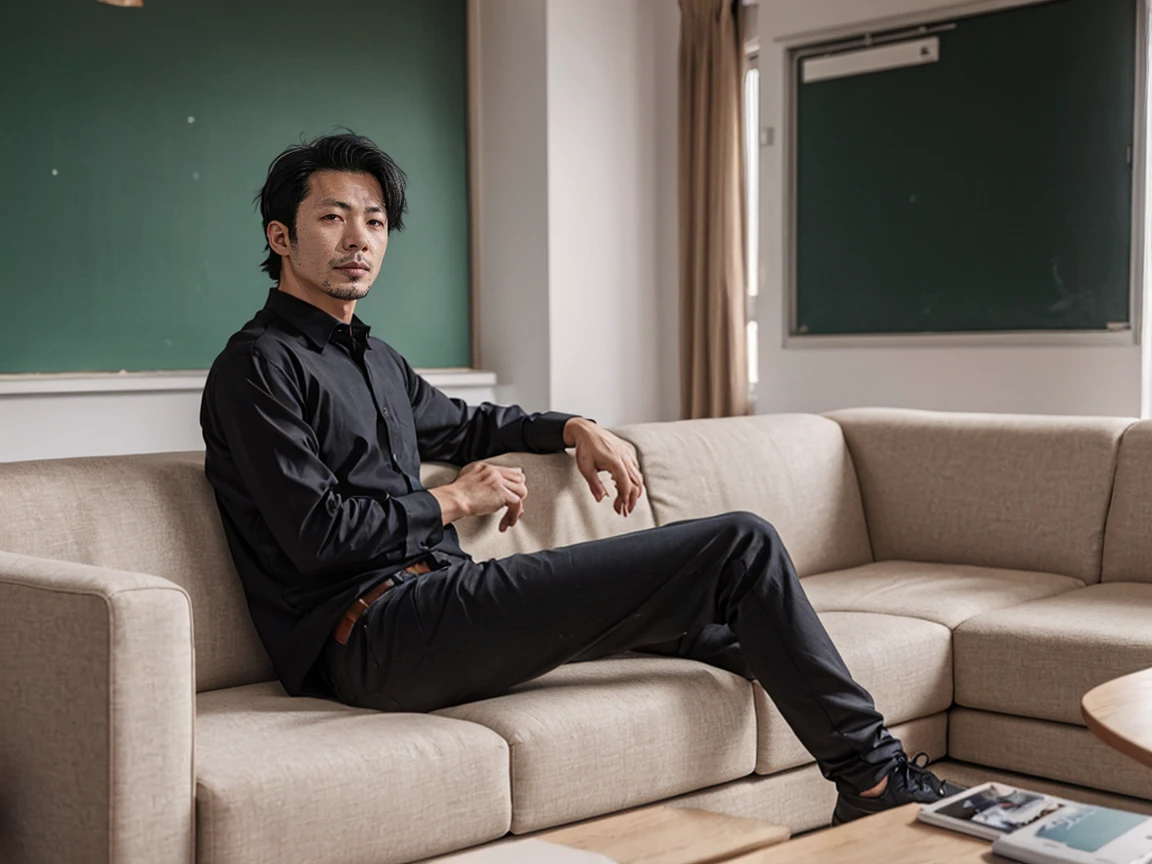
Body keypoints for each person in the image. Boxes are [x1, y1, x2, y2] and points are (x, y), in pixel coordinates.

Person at [200, 132, 961, 825]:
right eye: (334, 218)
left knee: (722, 617)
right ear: (281, 235)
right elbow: (318, 536)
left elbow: (470, 426)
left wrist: (573, 428)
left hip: (435, 603)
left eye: (374, 221)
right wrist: (457, 498)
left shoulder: (374, 357)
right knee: (739, 546)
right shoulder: (256, 366)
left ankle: (833, 756)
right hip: (371, 635)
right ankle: (871, 778)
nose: (359, 240)